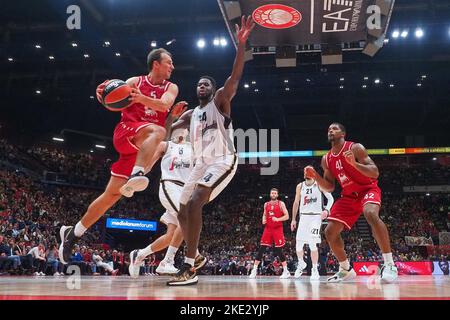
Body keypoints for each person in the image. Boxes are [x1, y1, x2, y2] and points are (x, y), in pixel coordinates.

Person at [58, 47, 187, 265]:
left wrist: (147, 102)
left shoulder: (171, 87)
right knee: (159, 133)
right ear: (156, 64)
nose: (172, 66)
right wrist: (104, 93)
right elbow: (111, 95)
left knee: (110, 197)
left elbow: (165, 104)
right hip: (126, 132)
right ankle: (138, 174)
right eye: (169, 62)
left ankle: (72, 233)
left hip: (142, 145)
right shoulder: (134, 82)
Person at [166, 16, 255, 286]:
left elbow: (236, 76)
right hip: (200, 164)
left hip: (222, 160)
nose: (201, 86)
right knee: (181, 209)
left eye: (206, 83)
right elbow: (167, 130)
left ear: (213, 90)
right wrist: (171, 113)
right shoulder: (191, 114)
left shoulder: (219, 102)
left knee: (195, 203)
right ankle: (197, 257)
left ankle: (189, 267)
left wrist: (241, 45)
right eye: (199, 84)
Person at [304, 123, 398, 282]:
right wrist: (316, 177)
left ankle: (389, 264)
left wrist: (354, 164)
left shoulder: (355, 148)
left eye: (334, 129)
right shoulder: (326, 159)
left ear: (343, 133)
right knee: (329, 231)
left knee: (370, 213)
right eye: (328, 129)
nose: (330, 131)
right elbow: (330, 186)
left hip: (367, 189)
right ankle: (346, 269)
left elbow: (375, 172)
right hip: (349, 196)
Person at [129, 119, 206, 277]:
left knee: (171, 235)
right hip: (170, 185)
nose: (182, 132)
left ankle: (140, 254)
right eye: (179, 129)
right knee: (187, 218)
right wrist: (136, 176)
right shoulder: (166, 145)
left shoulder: (194, 150)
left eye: (185, 130)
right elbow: (148, 164)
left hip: (186, 190)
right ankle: (190, 255)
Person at [291, 172, 334, 280]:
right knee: (298, 244)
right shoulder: (300, 186)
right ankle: (302, 263)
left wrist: (327, 210)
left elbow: (331, 199)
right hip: (303, 217)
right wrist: (293, 219)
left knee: (312, 243)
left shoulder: (319, 184)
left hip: (315, 217)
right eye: (305, 171)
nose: (307, 173)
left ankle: (315, 269)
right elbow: (296, 202)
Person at [249, 188, 290, 279]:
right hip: (268, 228)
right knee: (262, 249)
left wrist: (278, 219)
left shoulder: (281, 204)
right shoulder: (266, 204)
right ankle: (254, 270)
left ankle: (286, 271)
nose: (273, 194)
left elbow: (287, 216)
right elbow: (264, 214)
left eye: (275, 193)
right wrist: (263, 219)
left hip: (277, 228)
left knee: (279, 250)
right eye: (272, 193)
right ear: (270, 194)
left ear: (277, 195)